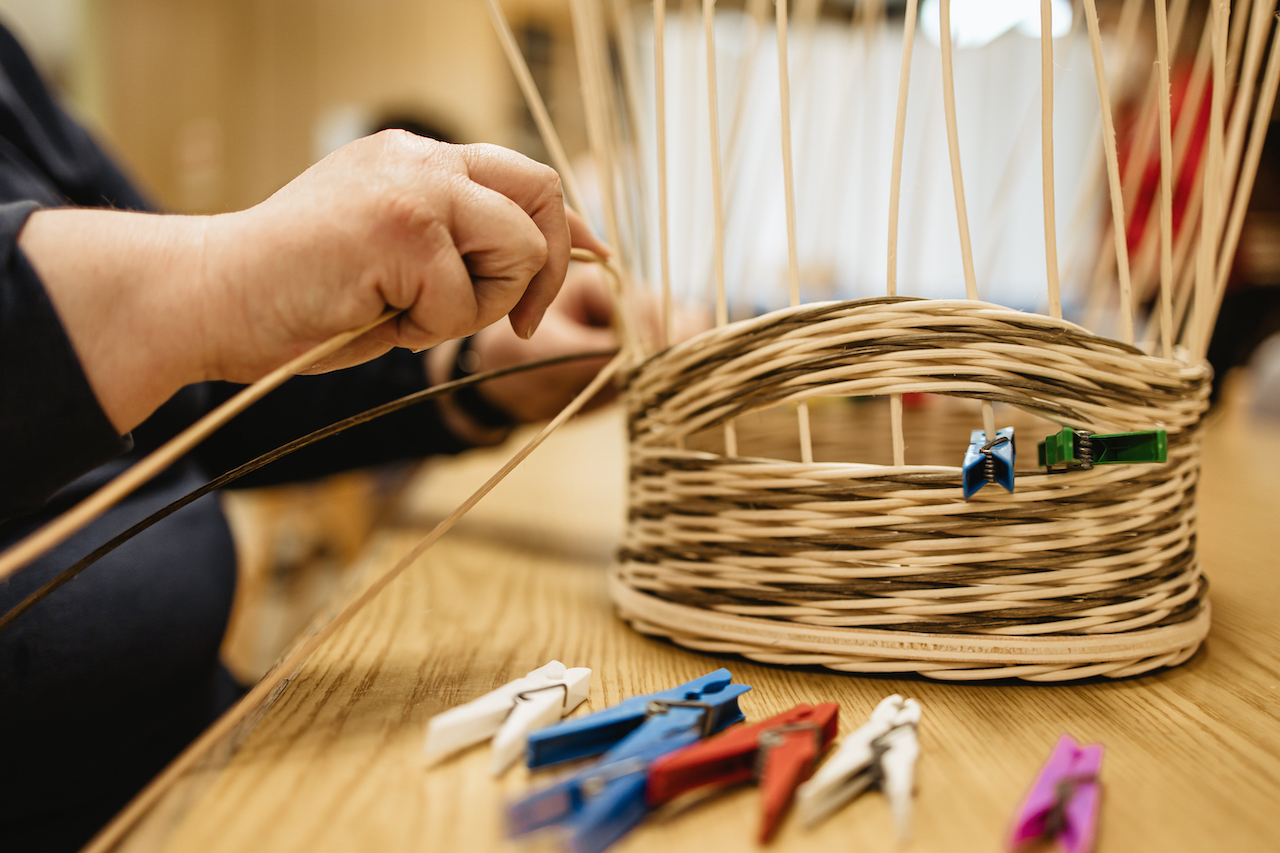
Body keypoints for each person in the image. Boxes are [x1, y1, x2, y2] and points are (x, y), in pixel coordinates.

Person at [0, 21, 617, 853]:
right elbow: (206, 294)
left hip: (215, 738)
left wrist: (476, 369)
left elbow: (196, 377)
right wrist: (223, 271)